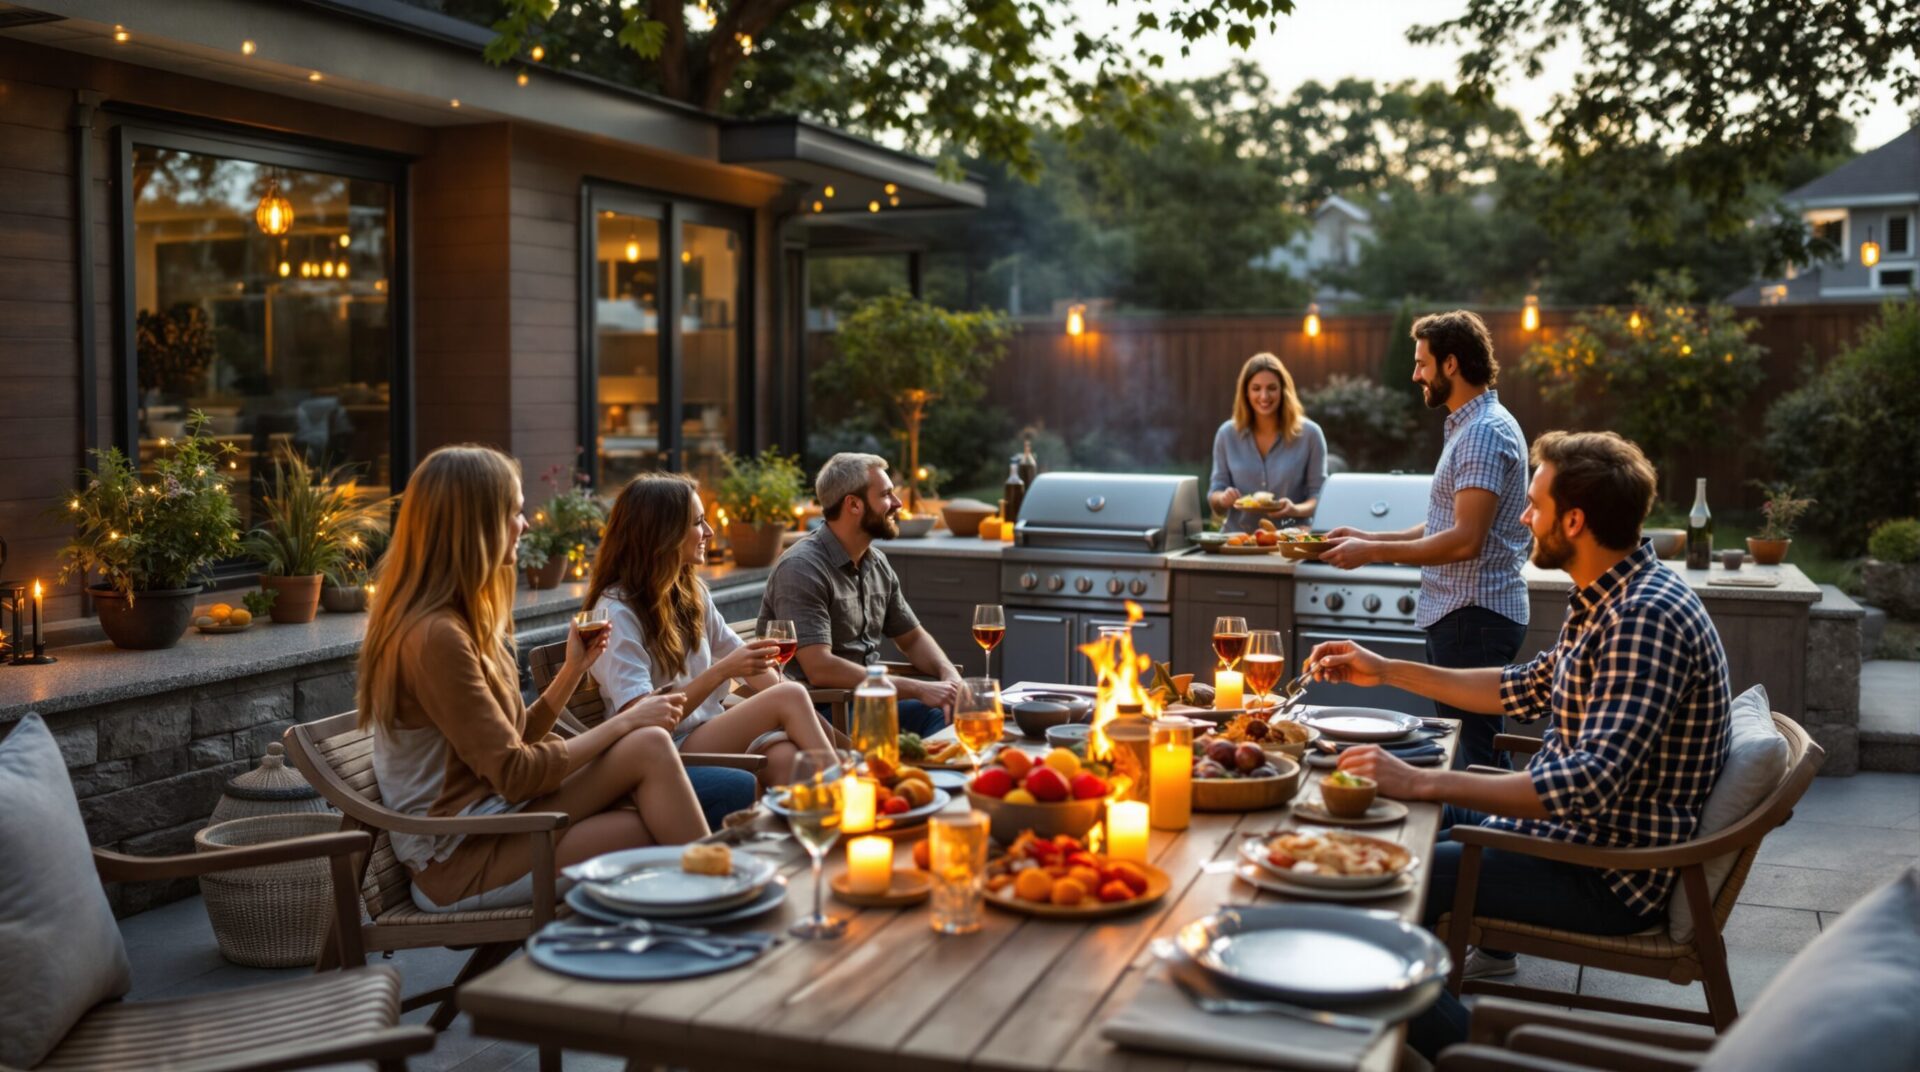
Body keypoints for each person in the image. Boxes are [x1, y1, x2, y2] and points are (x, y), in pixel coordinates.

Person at [1310, 430, 1732, 1057]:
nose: (1525, 516)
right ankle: (1396, 1032)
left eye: (1534, 503)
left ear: (1576, 519)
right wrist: (1386, 669)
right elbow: (1520, 687)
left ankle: (1471, 1052)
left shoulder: (1645, 619)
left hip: (1601, 872)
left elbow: (1584, 784)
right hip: (1572, 839)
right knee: (1390, 823)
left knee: (1383, 880)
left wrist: (1421, 779)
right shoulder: (1609, 596)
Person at [360, 445, 709, 914]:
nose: (525, 525)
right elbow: (515, 773)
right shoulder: (435, 636)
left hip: (501, 823)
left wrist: (570, 672)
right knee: (648, 761)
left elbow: (508, 744)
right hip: (461, 860)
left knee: (651, 808)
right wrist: (625, 723)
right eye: (515, 511)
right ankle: (725, 914)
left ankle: (701, 927)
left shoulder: (457, 621)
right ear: (476, 525)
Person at [1318, 310, 1532, 770]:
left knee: (1476, 756)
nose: (1415, 375)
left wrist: (1373, 552)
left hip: (1472, 616)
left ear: (1451, 364)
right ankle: (1475, 835)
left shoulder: (1481, 433)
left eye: (1422, 364)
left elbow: (1464, 541)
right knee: (1468, 749)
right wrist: (1369, 535)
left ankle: (1486, 839)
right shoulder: (1470, 425)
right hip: (1464, 615)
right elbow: (1445, 524)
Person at [584, 473, 832, 787]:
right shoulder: (616, 613)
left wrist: (835, 739)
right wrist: (720, 672)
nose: (709, 532)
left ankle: (824, 817)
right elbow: (643, 720)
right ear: (663, 534)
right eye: (698, 522)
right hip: (660, 751)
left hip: (705, 731)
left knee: (785, 759)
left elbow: (752, 668)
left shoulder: (690, 592)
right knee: (791, 695)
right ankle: (855, 794)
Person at [759, 453, 961, 737]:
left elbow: (912, 638)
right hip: (824, 713)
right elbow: (820, 668)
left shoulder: (875, 562)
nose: (898, 504)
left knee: (964, 710)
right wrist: (917, 688)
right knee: (943, 718)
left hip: (869, 700)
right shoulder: (802, 568)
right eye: (887, 495)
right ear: (853, 504)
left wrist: (950, 677)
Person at [1207, 352, 1328, 534]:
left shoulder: (1310, 434)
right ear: (1246, 392)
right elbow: (1215, 493)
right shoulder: (1227, 434)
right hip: (1238, 541)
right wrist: (1223, 498)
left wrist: (1295, 509)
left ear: (1283, 390)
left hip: (1289, 540)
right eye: (1256, 388)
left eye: (1272, 388)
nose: (1264, 396)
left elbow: (1319, 495)